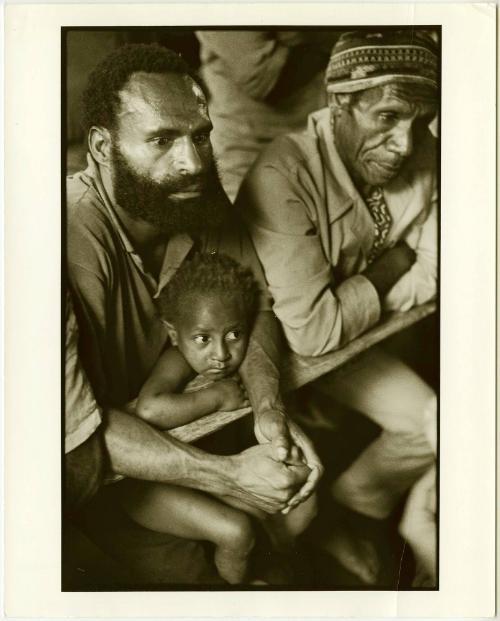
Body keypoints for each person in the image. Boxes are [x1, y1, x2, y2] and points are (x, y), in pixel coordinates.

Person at [66, 43, 322, 585]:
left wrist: (270, 409)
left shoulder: (194, 199)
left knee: (296, 529)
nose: (192, 162)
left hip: (195, 444)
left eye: (200, 135)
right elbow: (73, 433)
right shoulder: (62, 235)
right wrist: (229, 476)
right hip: (95, 486)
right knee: (199, 581)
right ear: (102, 146)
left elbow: (256, 311)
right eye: (161, 140)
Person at [236, 29, 438, 584]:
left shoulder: (424, 152)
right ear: (339, 104)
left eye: (420, 123)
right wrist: (395, 264)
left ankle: (360, 502)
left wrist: (358, 298)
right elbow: (311, 333)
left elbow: (439, 270)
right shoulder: (282, 174)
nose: (405, 144)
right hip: (280, 354)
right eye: (388, 118)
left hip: (355, 342)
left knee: (437, 423)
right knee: (289, 510)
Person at [118, 252, 315, 584]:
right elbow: (150, 409)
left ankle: (269, 576)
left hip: (199, 472)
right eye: (203, 339)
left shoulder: (220, 353)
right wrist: (215, 397)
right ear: (173, 333)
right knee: (236, 531)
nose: (221, 355)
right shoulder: (177, 359)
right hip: (140, 486)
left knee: (287, 510)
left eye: (234, 335)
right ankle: (234, 596)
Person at [195, 30, 339, 200]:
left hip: (317, 137)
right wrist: (321, 38)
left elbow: (356, 35)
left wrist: (314, 36)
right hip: (247, 146)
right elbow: (261, 81)